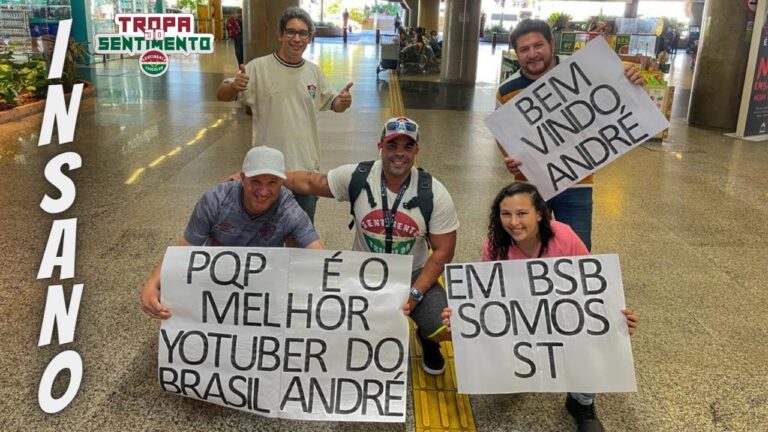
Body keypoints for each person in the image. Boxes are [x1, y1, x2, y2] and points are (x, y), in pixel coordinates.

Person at [441, 182, 638, 432]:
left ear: (540, 214)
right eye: (506, 214)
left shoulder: (564, 237)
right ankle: (515, 373)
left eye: (522, 213)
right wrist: (462, 315)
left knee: (592, 335)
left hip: (562, 314)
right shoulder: (495, 243)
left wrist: (615, 318)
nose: (513, 222)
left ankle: (581, 401)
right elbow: (487, 296)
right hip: (522, 315)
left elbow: (591, 290)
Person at [284, 117, 460, 376]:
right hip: (364, 272)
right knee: (322, 318)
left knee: (444, 328)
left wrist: (415, 294)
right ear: (381, 146)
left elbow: (444, 251)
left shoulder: (433, 192)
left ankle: (428, 341)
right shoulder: (359, 176)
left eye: (407, 146)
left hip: (413, 273)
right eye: (392, 145)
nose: (399, 153)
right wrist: (264, 176)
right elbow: (311, 182)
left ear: (416, 151)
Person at [497, 19, 645, 251]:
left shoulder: (584, 70)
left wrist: (632, 82)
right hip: (531, 185)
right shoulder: (506, 90)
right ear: (517, 54)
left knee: (577, 250)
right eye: (524, 49)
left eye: (538, 45)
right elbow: (505, 140)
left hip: (577, 182)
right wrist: (511, 162)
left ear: (551, 44)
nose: (532, 54)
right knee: (527, 248)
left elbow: (619, 99)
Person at [140, 146, 324, 320]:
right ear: (243, 179)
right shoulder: (216, 199)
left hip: (262, 285)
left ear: (281, 183)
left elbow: (320, 255)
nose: (263, 191)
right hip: (217, 280)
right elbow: (185, 247)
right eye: (256, 181)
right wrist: (152, 283)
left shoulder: (289, 210)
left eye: (272, 183)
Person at [216, 7, 354, 222]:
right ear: (280, 35)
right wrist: (234, 86)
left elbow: (333, 103)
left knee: (300, 237)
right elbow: (222, 94)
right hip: (266, 172)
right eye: (291, 32)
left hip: (305, 170)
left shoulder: (313, 71)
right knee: (264, 238)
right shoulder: (258, 68)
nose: (297, 39)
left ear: (309, 38)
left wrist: (343, 101)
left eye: (303, 33)